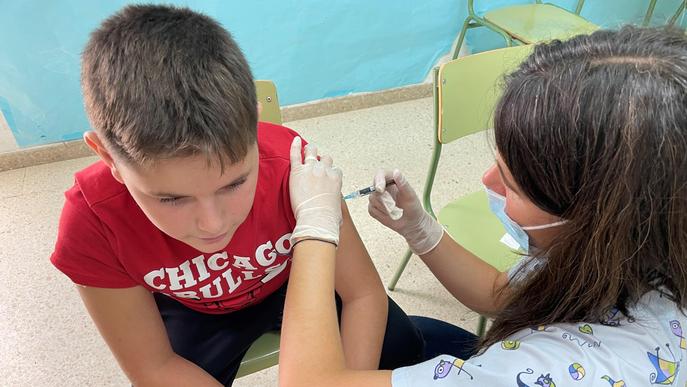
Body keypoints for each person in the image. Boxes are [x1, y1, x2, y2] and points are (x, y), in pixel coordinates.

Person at [280, 26, 687, 386]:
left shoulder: (540, 371)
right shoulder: (643, 245)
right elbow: (510, 296)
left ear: (598, 217)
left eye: (514, 185)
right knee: (415, 334)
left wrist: (315, 230)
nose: (487, 182)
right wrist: (421, 231)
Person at [49, 4, 423, 386]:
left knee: (401, 342)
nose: (213, 223)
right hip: (194, 314)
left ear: (255, 125)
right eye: (171, 199)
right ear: (107, 156)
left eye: (234, 184)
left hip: (294, 283)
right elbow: (154, 367)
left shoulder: (292, 165)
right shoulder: (92, 220)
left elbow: (363, 296)